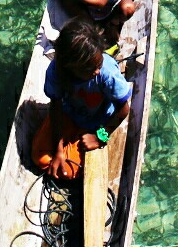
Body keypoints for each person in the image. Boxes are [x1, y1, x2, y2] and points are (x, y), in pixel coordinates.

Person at [33, 16, 133, 181]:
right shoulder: (56, 72)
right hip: (70, 115)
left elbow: (124, 109)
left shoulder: (106, 72)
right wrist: (58, 151)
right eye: (91, 68)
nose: (97, 72)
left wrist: (100, 137)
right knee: (41, 158)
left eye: (98, 65)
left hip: (98, 122)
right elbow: (56, 107)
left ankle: (78, 142)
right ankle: (69, 146)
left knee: (69, 171)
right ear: (71, 67)